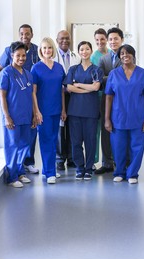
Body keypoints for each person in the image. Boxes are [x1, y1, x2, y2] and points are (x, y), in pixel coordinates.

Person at [105, 44, 144, 184]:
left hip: (138, 117)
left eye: (128, 53)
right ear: (119, 57)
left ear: (133, 55)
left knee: (137, 147)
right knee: (118, 146)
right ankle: (119, 171)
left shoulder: (143, 74)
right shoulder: (114, 74)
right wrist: (107, 119)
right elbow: (108, 97)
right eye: (122, 54)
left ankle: (132, 173)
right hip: (118, 118)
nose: (125, 56)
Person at [0, 24, 39, 174]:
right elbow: (2, 95)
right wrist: (6, 116)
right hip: (12, 114)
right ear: (11, 55)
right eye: (18, 55)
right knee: (13, 145)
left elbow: (32, 94)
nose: (21, 58)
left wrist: (34, 113)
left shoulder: (27, 73)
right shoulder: (6, 73)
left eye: (23, 56)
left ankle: (20, 172)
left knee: (25, 144)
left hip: (25, 115)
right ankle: (13, 176)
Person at [64, 41, 103, 180]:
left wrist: (79, 85)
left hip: (91, 111)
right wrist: (87, 88)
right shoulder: (73, 69)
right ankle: (79, 167)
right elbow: (69, 87)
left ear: (91, 51)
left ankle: (88, 168)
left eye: (87, 49)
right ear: (79, 52)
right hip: (75, 111)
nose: (84, 51)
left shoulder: (97, 70)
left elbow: (96, 87)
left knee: (90, 141)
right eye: (82, 49)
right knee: (75, 142)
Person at [31, 37, 66, 184]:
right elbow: (33, 92)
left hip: (56, 108)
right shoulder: (36, 68)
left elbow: (62, 90)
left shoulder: (58, 67)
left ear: (53, 49)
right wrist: (36, 111)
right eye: (44, 48)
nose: (47, 50)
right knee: (46, 140)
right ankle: (51, 172)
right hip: (43, 110)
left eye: (49, 48)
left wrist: (64, 109)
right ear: (40, 50)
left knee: (53, 140)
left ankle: (47, 169)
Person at [95, 27, 124, 175]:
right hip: (106, 100)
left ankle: (121, 163)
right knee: (106, 131)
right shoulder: (103, 59)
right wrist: (115, 76)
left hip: (122, 101)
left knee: (121, 131)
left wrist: (109, 77)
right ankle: (107, 163)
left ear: (121, 40)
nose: (113, 42)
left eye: (115, 39)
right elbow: (99, 79)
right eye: (110, 39)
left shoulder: (127, 55)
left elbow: (125, 77)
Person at [54, 30, 81, 171]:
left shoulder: (76, 57)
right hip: (57, 95)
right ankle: (59, 158)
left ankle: (71, 157)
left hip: (73, 96)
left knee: (72, 127)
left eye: (67, 38)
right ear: (57, 40)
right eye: (61, 38)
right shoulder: (52, 56)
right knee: (59, 128)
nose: (65, 41)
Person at [90, 28, 110, 169]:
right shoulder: (93, 57)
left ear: (107, 39)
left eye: (102, 39)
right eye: (97, 40)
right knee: (96, 129)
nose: (99, 42)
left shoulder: (113, 54)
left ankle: (110, 159)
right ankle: (95, 160)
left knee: (108, 128)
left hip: (111, 96)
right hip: (97, 96)